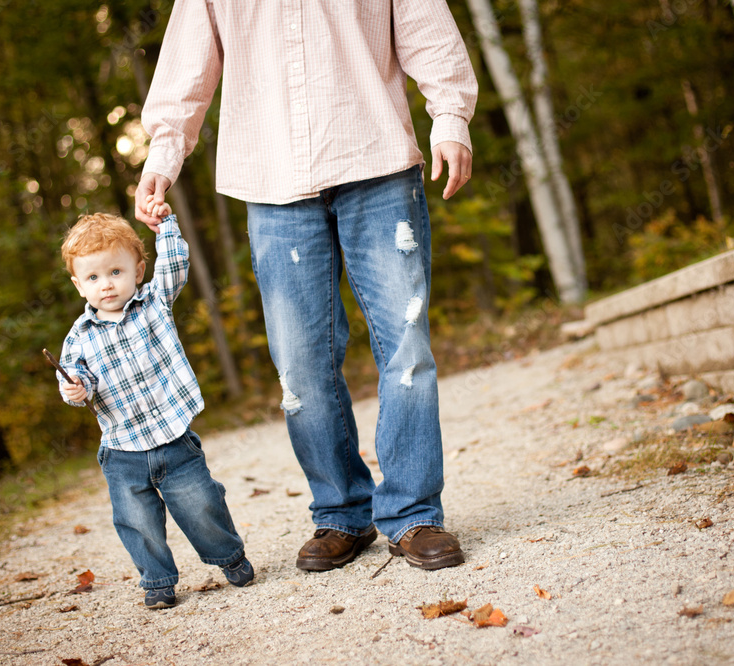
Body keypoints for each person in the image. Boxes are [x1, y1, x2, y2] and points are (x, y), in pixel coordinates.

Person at [136, 0, 478, 572]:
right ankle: (342, 512)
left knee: (407, 347)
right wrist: (163, 156)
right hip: (271, 179)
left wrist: (450, 117)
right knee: (300, 366)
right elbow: (185, 66)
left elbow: (426, 29)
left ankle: (414, 513)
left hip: (377, 156)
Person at [56, 204, 254, 609]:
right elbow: (78, 380)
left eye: (116, 272)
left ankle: (229, 556)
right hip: (122, 449)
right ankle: (158, 581)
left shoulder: (154, 303)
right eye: (93, 277)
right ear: (79, 285)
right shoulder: (78, 337)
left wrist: (165, 224)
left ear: (138, 271)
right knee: (137, 521)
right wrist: (75, 389)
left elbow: (176, 262)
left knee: (202, 504)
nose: (106, 285)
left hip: (172, 436)